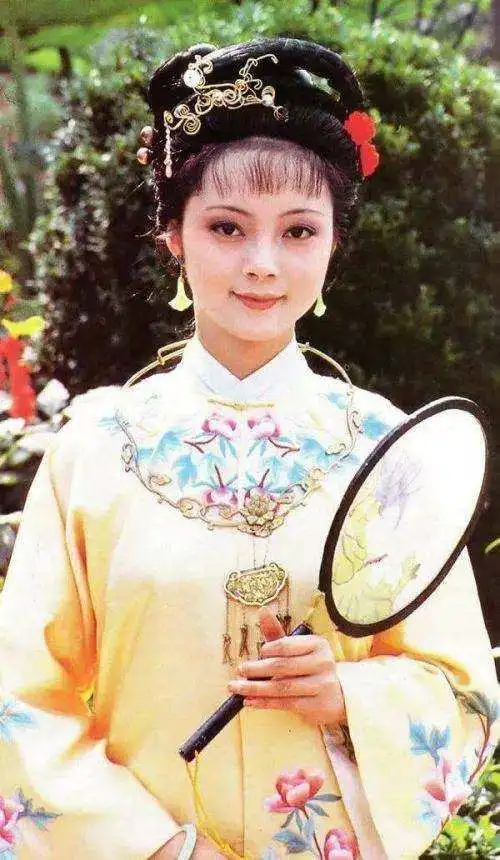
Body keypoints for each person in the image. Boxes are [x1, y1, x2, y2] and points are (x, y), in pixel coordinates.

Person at [0, 37, 497, 860]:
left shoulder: (388, 449)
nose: (263, 265)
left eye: (299, 230)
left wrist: (348, 696)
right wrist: (158, 847)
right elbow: (17, 700)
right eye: (227, 227)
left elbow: (464, 692)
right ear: (173, 235)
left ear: (334, 244)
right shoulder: (94, 451)